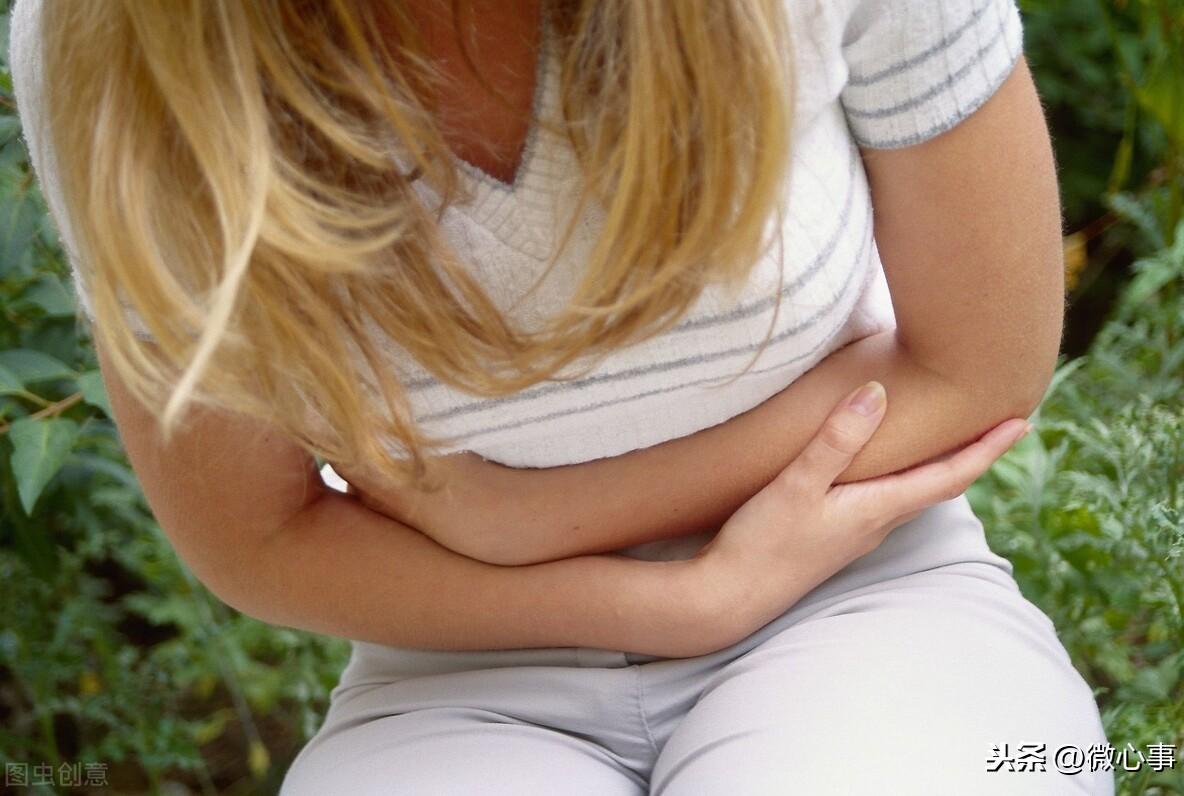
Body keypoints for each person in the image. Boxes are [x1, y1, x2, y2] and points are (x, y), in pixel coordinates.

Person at [9, 0, 1114, 792]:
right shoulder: (112, 44)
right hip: (456, 680)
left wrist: (528, 516)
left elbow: (978, 364)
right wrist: (667, 603)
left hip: (860, 592)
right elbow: (256, 533)